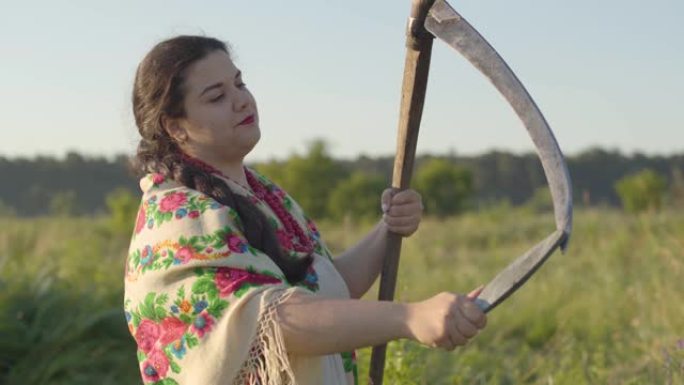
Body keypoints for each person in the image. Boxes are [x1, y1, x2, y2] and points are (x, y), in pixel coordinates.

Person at [123, 35, 487, 385]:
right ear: (176, 128)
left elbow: (326, 288)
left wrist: (388, 228)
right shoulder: (176, 217)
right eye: (217, 97)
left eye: (239, 84)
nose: (242, 101)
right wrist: (409, 317)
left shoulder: (261, 193)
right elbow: (271, 321)